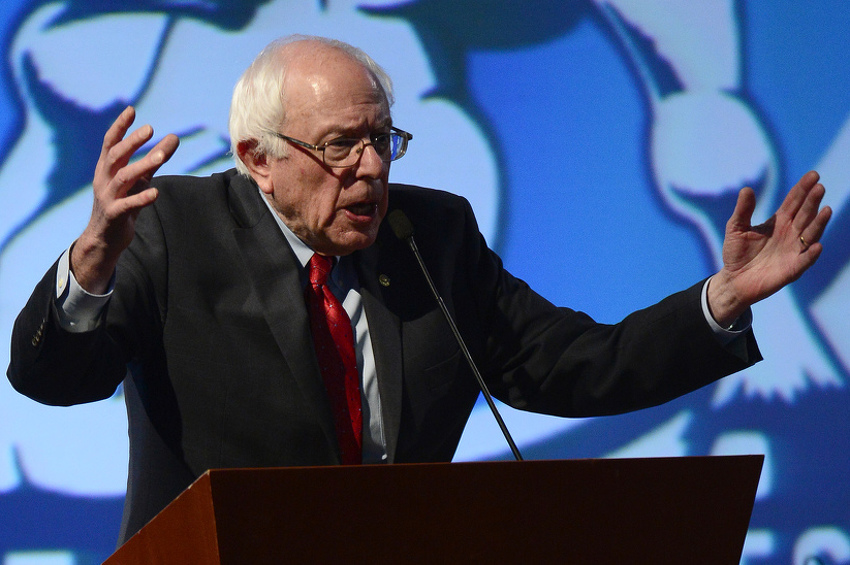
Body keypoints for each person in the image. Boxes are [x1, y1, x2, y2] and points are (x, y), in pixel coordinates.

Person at [6, 35, 831, 546]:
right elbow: (52, 377)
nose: (370, 168)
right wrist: (91, 261)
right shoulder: (173, 227)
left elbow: (577, 363)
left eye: (380, 139)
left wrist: (722, 299)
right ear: (257, 156)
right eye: (340, 145)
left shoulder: (430, 234)